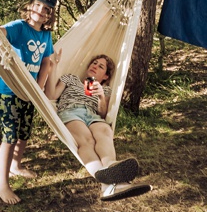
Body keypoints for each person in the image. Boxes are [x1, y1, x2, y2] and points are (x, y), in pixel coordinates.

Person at [43, 53, 142, 198]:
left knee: (105, 132)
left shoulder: (105, 89)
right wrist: (54, 67)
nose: (95, 66)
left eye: (100, 66)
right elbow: (51, 96)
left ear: (106, 76)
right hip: (71, 111)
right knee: (87, 141)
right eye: (94, 63)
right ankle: (110, 184)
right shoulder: (71, 78)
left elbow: (102, 114)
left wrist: (101, 95)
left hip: (92, 115)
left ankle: (111, 167)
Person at [0, 0, 58, 205]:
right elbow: (0, 32)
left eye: (46, 9)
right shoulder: (19, 27)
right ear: (30, 6)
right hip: (10, 90)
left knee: (24, 133)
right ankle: (2, 184)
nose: (41, 10)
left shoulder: (45, 35)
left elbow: (46, 62)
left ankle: (16, 166)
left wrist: (39, 88)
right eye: (38, 5)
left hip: (29, 91)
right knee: (9, 136)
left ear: (50, 15)